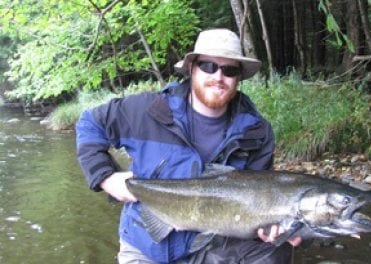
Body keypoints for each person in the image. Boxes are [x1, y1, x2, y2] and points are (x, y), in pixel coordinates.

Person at [76, 28, 301, 264]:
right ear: (192, 68)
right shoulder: (146, 111)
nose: (218, 77)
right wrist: (105, 177)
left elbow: (259, 200)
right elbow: (89, 123)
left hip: (214, 248)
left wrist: (271, 229)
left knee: (277, 251)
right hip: (145, 245)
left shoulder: (256, 132)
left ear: (238, 78)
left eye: (230, 70)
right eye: (209, 66)